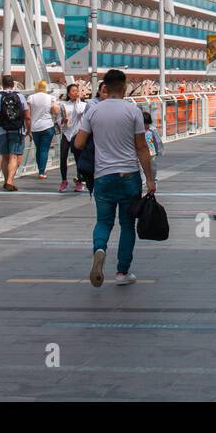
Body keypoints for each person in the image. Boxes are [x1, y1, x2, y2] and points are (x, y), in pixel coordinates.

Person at [75, 69, 155, 287]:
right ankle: (122, 272)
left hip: (103, 175)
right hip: (129, 175)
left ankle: (99, 249)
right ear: (124, 86)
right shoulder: (133, 111)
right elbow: (141, 147)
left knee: (103, 221)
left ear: (105, 87)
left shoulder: (93, 111)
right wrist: (150, 179)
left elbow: (79, 143)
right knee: (127, 224)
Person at [0, 75, 30, 191]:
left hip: (2, 130)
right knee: (14, 156)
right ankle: (10, 181)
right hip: (17, 130)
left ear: (2, 84)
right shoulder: (20, 96)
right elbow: (27, 116)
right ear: (13, 84)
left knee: (5, 157)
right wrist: (29, 130)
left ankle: (6, 181)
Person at [57, 83, 87, 193]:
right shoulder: (63, 104)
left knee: (78, 159)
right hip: (66, 134)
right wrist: (62, 121)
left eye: (77, 91)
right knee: (63, 157)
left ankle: (79, 181)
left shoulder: (83, 105)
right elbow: (58, 120)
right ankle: (64, 180)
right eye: (73, 91)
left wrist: (78, 100)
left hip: (77, 134)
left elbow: (80, 112)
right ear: (69, 93)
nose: (75, 92)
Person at [27, 80, 58, 180]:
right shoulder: (50, 97)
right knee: (44, 149)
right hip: (47, 126)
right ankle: (42, 172)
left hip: (35, 127)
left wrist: (28, 128)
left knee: (38, 148)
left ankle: (40, 169)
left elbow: (27, 114)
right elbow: (56, 111)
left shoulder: (31, 98)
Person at [141, 108, 164, 178]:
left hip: (151, 153)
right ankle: (143, 184)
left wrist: (159, 151)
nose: (146, 126)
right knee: (142, 171)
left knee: (153, 170)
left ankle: (153, 181)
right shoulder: (138, 131)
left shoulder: (152, 130)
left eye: (147, 124)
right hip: (141, 153)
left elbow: (158, 141)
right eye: (144, 124)